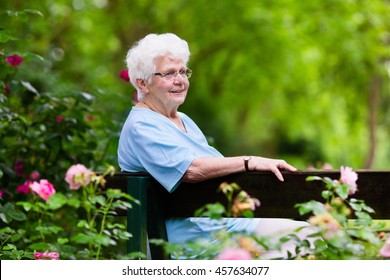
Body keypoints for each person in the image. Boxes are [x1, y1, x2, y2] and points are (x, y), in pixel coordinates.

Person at [118, 33, 314, 259]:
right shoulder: (142, 126)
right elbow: (191, 170)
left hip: (225, 226)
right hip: (197, 243)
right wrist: (250, 162)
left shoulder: (182, 120)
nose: (180, 80)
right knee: (305, 242)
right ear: (143, 82)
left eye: (183, 71)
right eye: (169, 73)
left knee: (314, 235)